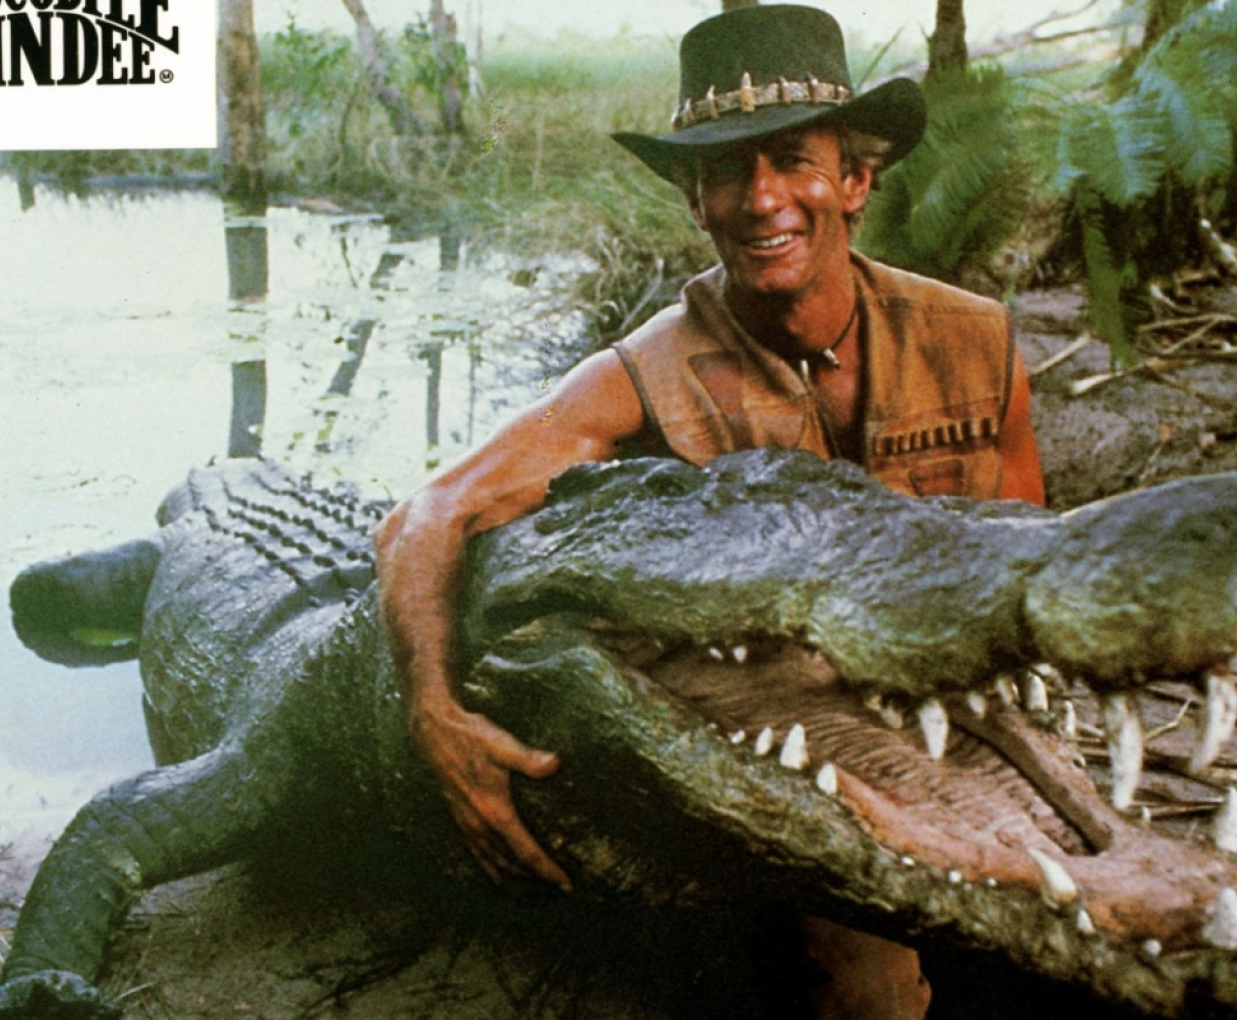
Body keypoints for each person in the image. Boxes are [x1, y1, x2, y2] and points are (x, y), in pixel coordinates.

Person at [373, 5, 1044, 1017]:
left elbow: (1028, 562)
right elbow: (425, 516)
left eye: (791, 159)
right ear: (696, 197)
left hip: (948, 721)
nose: (761, 198)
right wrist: (435, 716)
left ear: (855, 180)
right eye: (728, 169)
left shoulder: (974, 340)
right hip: (787, 756)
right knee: (872, 994)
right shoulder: (640, 376)